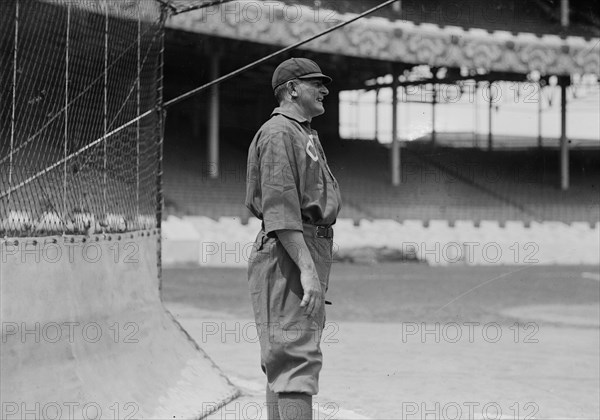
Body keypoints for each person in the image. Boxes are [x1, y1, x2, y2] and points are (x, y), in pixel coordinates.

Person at [245, 57, 342, 420]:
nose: (324, 90)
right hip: (289, 249)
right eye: (316, 83)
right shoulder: (279, 133)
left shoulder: (301, 132)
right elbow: (281, 211)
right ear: (292, 89)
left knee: (287, 357)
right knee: (295, 357)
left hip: (305, 244)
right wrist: (307, 270)